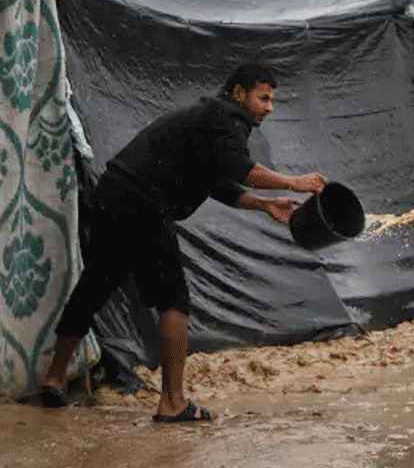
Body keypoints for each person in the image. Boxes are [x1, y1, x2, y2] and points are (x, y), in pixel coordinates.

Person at [37, 63, 327, 421]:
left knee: (97, 283)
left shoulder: (210, 118)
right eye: (263, 97)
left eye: (273, 100)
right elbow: (240, 168)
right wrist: (293, 183)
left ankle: (53, 377)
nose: (269, 107)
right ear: (239, 93)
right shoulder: (227, 118)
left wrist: (265, 205)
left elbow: (221, 185)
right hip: (144, 201)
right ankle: (173, 402)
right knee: (173, 298)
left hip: (115, 192)